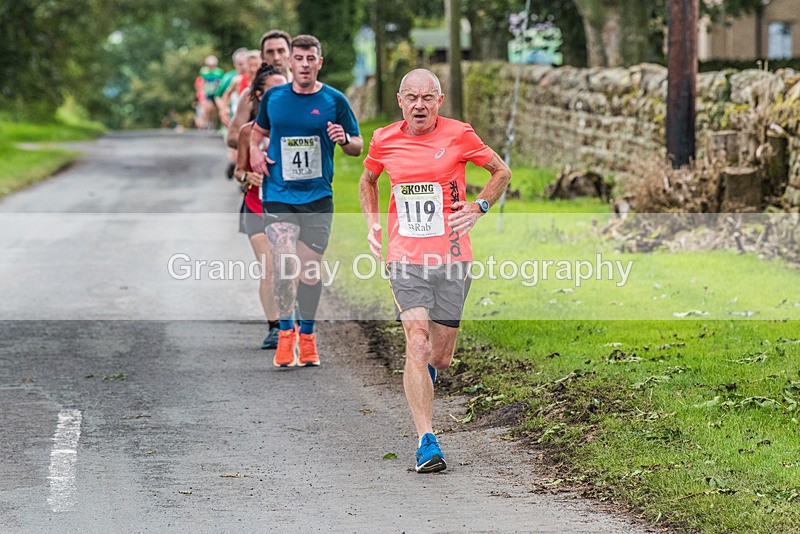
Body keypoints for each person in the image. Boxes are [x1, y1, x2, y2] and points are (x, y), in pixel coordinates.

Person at [358, 68, 511, 473]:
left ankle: (424, 376)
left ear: (439, 101)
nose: (420, 105)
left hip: (453, 258)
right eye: (412, 97)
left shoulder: (460, 134)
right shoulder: (383, 139)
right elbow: (368, 180)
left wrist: (479, 207)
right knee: (418, 341)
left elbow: (501, 171)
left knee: (439, 358)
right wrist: (373, 224)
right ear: (400, 101)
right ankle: (426, 440)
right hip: (406, 259)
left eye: (428, 97)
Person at [250, 34, 362, 368]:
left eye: (311, 58)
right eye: (298, 58)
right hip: (279, 193)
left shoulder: (334, 100)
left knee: (308, 272)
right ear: (290, 62)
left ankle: (308, 335)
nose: (304, 64)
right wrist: (256, 155)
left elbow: (357, 145)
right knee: (284, 263)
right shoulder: (274, 98)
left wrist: (345, 140)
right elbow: (257, 135)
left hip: (317, 196)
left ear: (319, 62)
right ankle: (286, 335)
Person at [233, 63, 288, 349]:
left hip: (290, 208)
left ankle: (293, 322)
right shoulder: (247, 132)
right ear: (259, 95)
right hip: (256, 206)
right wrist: (247, 175)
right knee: (270, 268)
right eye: (274, 91)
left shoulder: (295, 129)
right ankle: (275, 327)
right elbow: (237, 171)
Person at [228, 30, 293, 150]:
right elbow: (232, 137)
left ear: (290, 54)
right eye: (270, 52)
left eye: (281, 51)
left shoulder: (306, 90)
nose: (276, 57)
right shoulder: (251, 94)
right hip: (265, 165)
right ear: (262, 57)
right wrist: (258, 145)